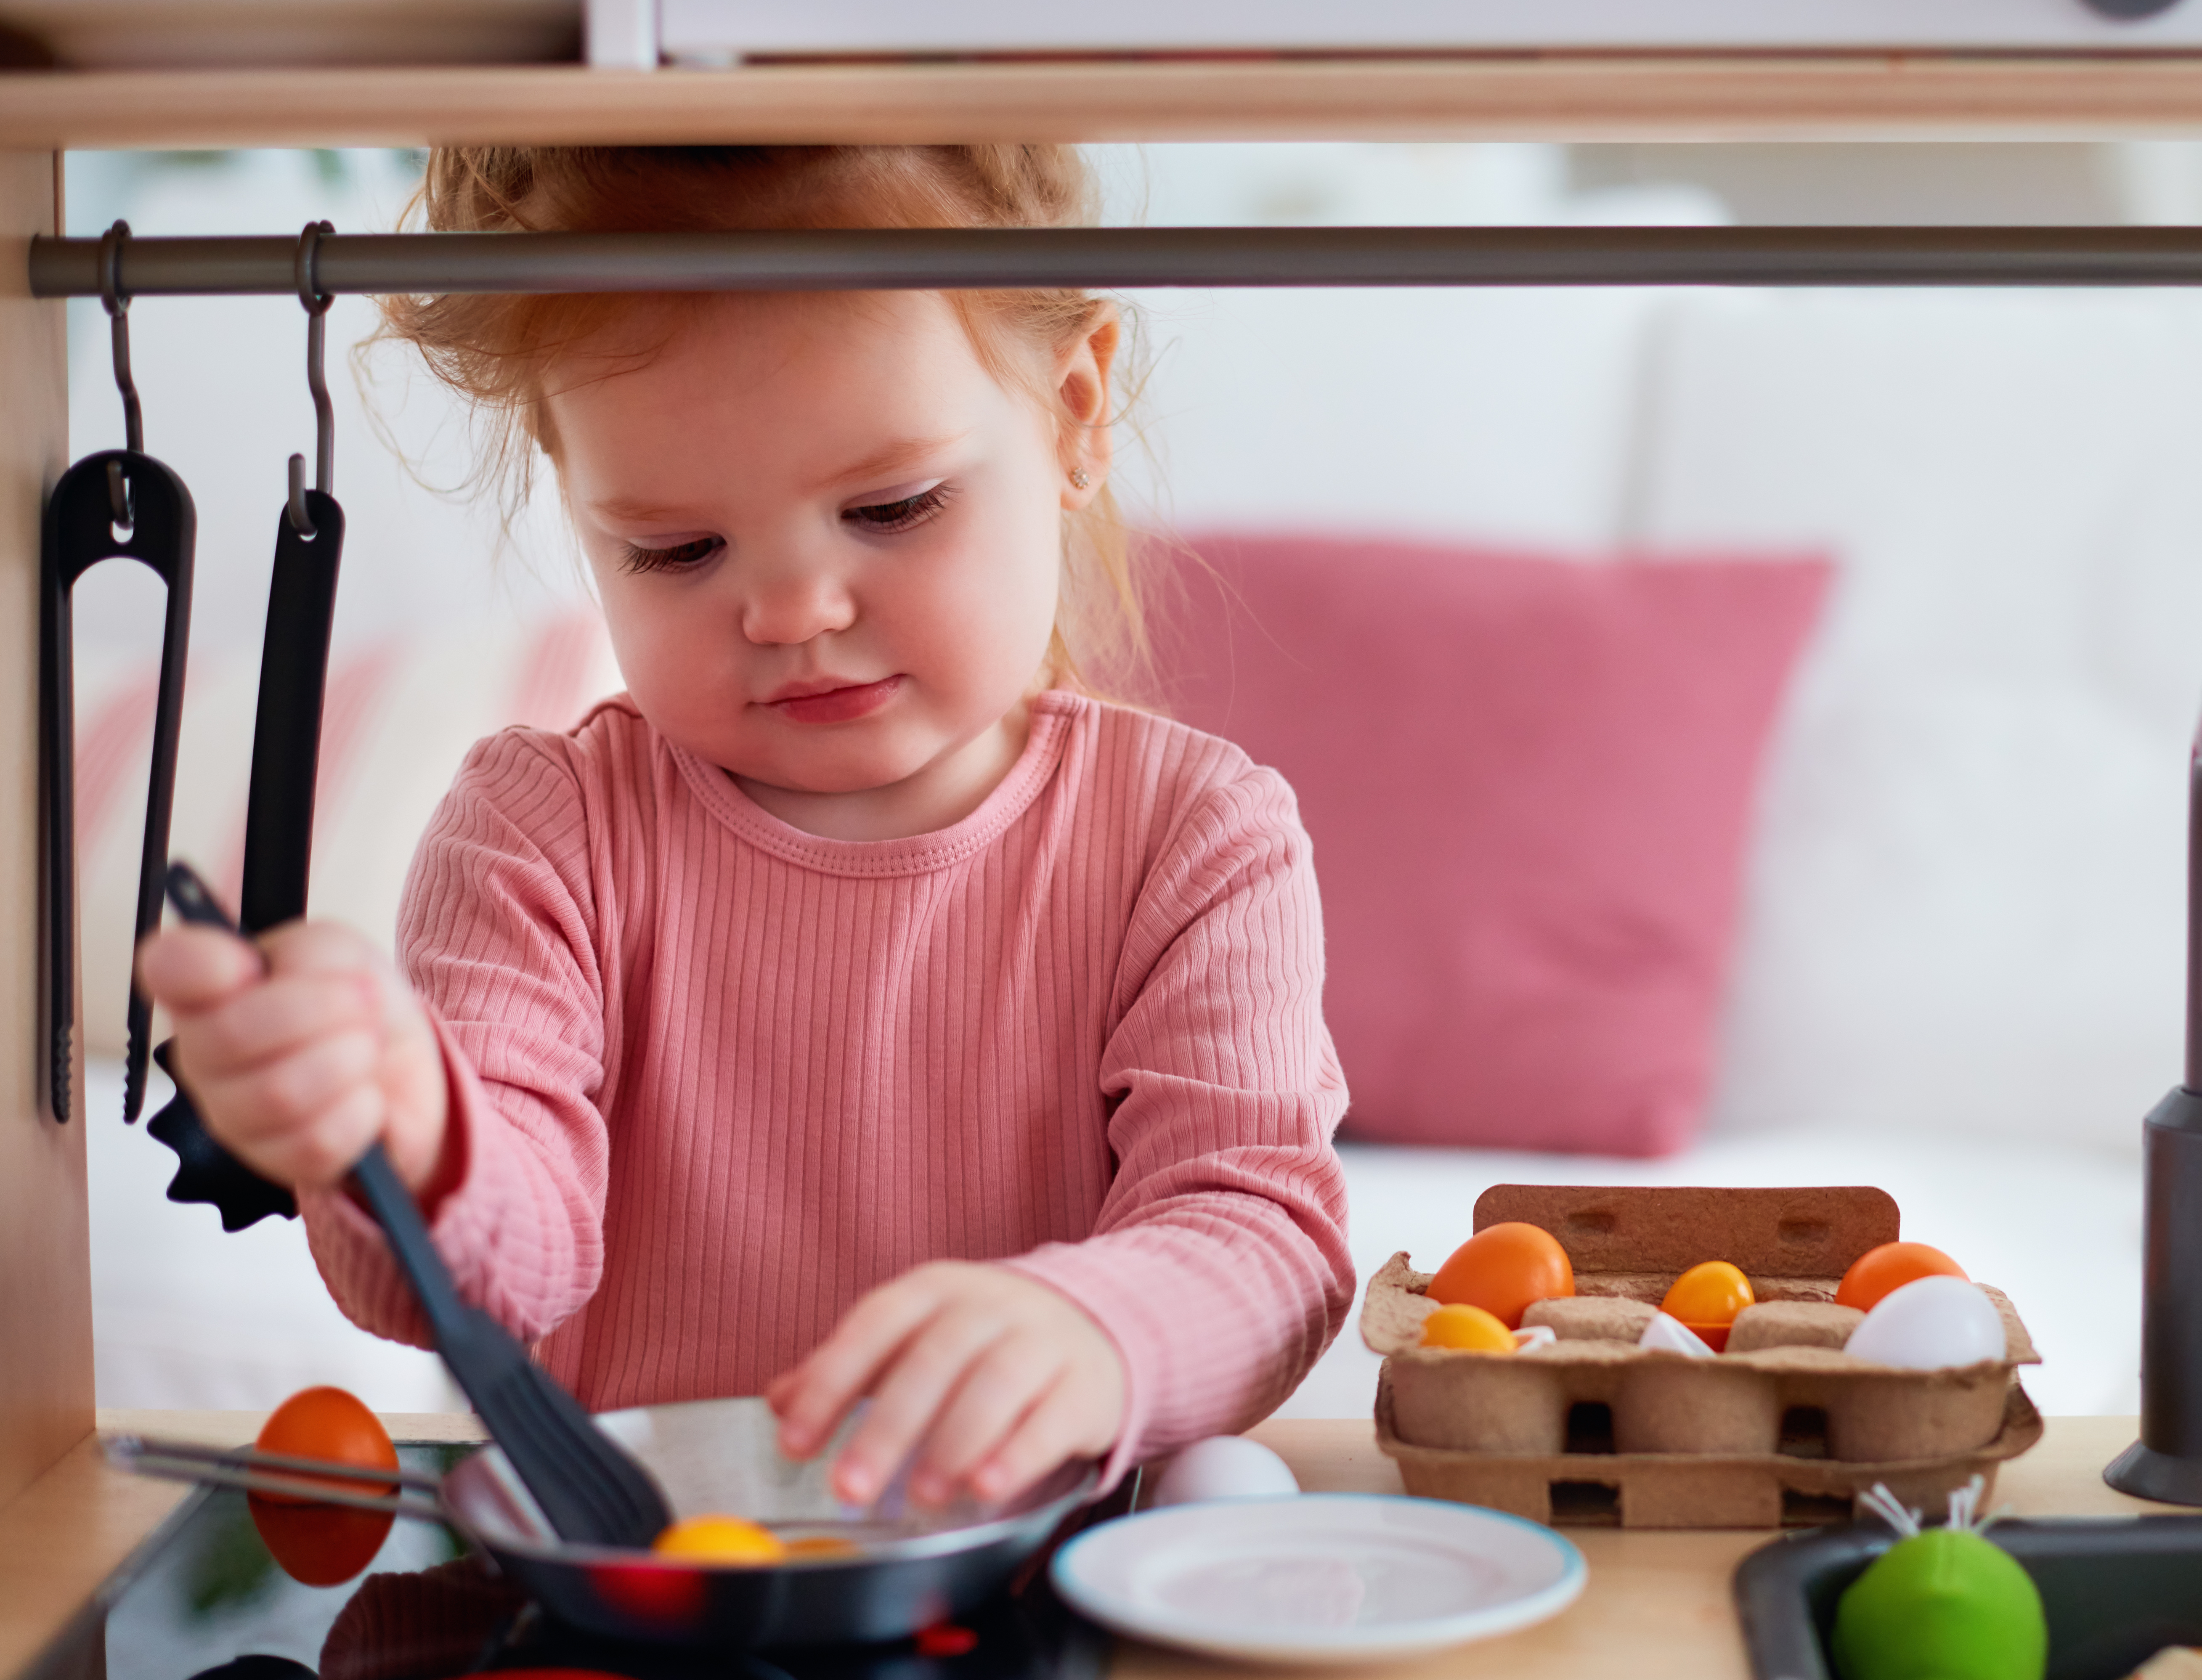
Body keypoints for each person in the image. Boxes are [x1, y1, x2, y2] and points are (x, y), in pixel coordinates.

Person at [136, 145, 1350, 1512]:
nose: (790, 612)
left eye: (891, 509)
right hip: (657, 1599)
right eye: (674, 551)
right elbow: (496, 1276)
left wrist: (1100, 1329)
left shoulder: (1193, 835)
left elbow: (1265, 1238)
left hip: (1037, 1591)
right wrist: (409, 1126)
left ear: (1074, 415)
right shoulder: (542, 830)